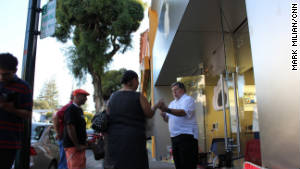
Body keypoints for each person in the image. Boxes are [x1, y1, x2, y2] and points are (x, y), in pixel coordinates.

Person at [104, 70, 161, 169]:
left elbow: (107, 116)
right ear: (133, 80)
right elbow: (149, 114)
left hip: (115, 139)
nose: (138, 83)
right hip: (134, 139)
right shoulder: (138, 96)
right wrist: (156, 106)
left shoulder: (112, 97)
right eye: (137, 80)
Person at [0, 53, 33, 169]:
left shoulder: (23, 87)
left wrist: (10, 109)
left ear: (15, 70)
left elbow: (28, 114)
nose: (1, 77)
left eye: (5, 74)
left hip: (7, 142)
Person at [159, 82, 199, 169]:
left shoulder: (188, 99)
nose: (174, 92)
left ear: (183, 89)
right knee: (178, 164)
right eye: (172, 91)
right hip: (174, 137)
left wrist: (166, 109)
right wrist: (164, 116)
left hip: (187, 136)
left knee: (187, 164)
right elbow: (168, 120)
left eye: (176, 90)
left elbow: (183, 112)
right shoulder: (172, 103)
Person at [63, 89, 89, 169]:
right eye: (84, 96)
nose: (86, 98)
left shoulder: (79, 110)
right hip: (73, 147)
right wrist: (77, 145)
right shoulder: (71, 109)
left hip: (79, 146)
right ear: (76, 96)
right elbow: (70, 127)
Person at [53, 93, 74, 169]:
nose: (85, 98)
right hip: (65, 138)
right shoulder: (69, 106)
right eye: (83, 96)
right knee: (65, 162)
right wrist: (58, 133)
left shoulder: (73, 107)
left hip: (67, 138)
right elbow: (56, 116)